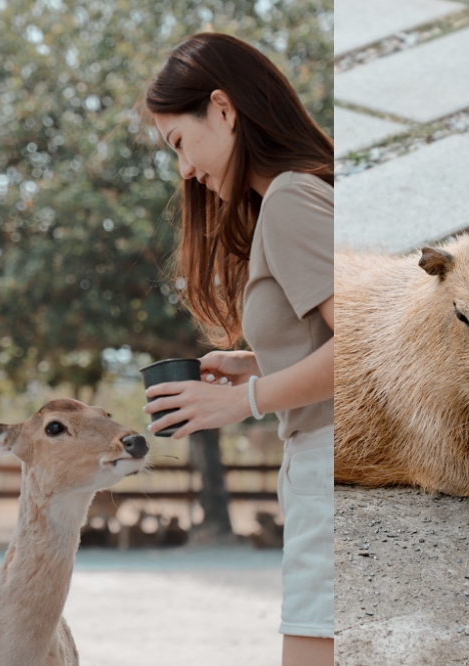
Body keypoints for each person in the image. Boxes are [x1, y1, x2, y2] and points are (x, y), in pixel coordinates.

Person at [141, 32, 333, 665]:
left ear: (222, 110)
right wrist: (257, 362)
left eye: (179, 143)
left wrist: (243, 401)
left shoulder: (288, 201)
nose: (185, 170)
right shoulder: (293, 197)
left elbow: (361, 351)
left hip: (330, 465)